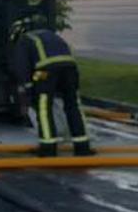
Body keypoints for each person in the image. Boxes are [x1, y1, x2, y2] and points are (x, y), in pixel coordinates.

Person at [8, 18, 94, 157]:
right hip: (70, 70)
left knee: (43, 109)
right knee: (73, 107)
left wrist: (29, 89)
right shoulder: (50, 35)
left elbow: (22, 68)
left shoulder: (24, 40)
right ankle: (82, 147)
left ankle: (48, 148)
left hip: (45, 72)